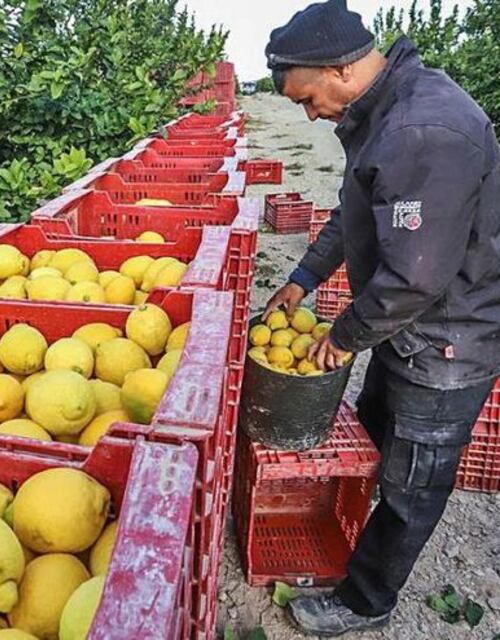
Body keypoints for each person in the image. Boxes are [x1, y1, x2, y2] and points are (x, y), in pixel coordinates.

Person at [262, 0, 500, 636]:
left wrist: (343, 336)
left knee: (411, 485)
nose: (310, 115)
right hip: (403, 327)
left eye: (307, 99)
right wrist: (304, 277)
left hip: (446, 344)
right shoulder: (381, 114)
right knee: (372, 437)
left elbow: (417, 274)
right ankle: (344, 536)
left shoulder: (422, 130)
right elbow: (354, 211)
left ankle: (367, 600)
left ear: (339, 70)